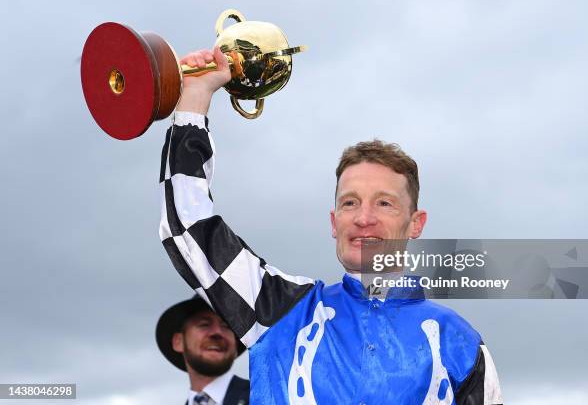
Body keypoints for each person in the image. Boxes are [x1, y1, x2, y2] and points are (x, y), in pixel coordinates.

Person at [158, 46, 503, 404]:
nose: (363, 217)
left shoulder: (460, 343)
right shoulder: (281, 309)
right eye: (349, 202)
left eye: (384, 203)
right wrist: (196, 96)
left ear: (416, 224)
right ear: (334, 222)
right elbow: (187, 226)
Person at [156, 295, 249, 405]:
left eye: (226, 326)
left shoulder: (268, 397)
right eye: (204, 324)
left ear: (235, 346)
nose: (217, 332)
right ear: (178, 342)